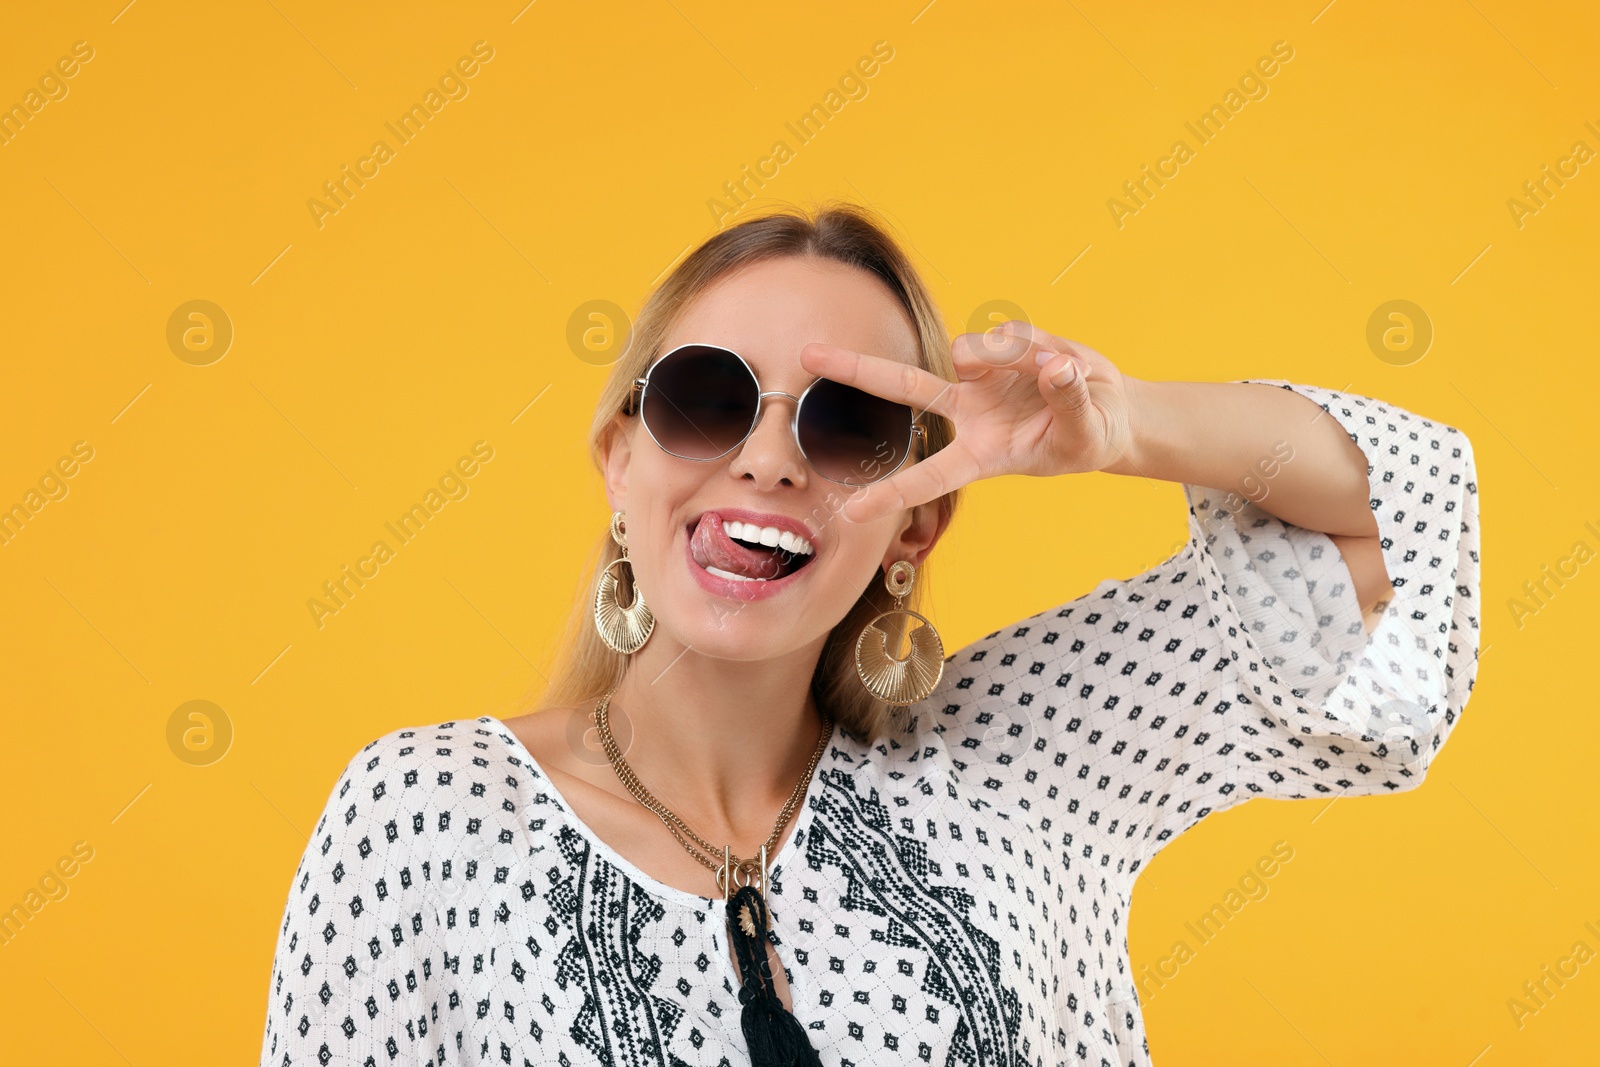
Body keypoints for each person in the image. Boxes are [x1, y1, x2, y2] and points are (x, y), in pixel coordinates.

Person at [258, 202, 1481, 1067]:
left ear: (917, 521)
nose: (768, 456)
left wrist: (1117, 430)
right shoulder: (424, 817)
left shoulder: (1028, 754)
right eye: (705, 397)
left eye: (846, 422)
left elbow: (1392, 530)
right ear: (617, 461)